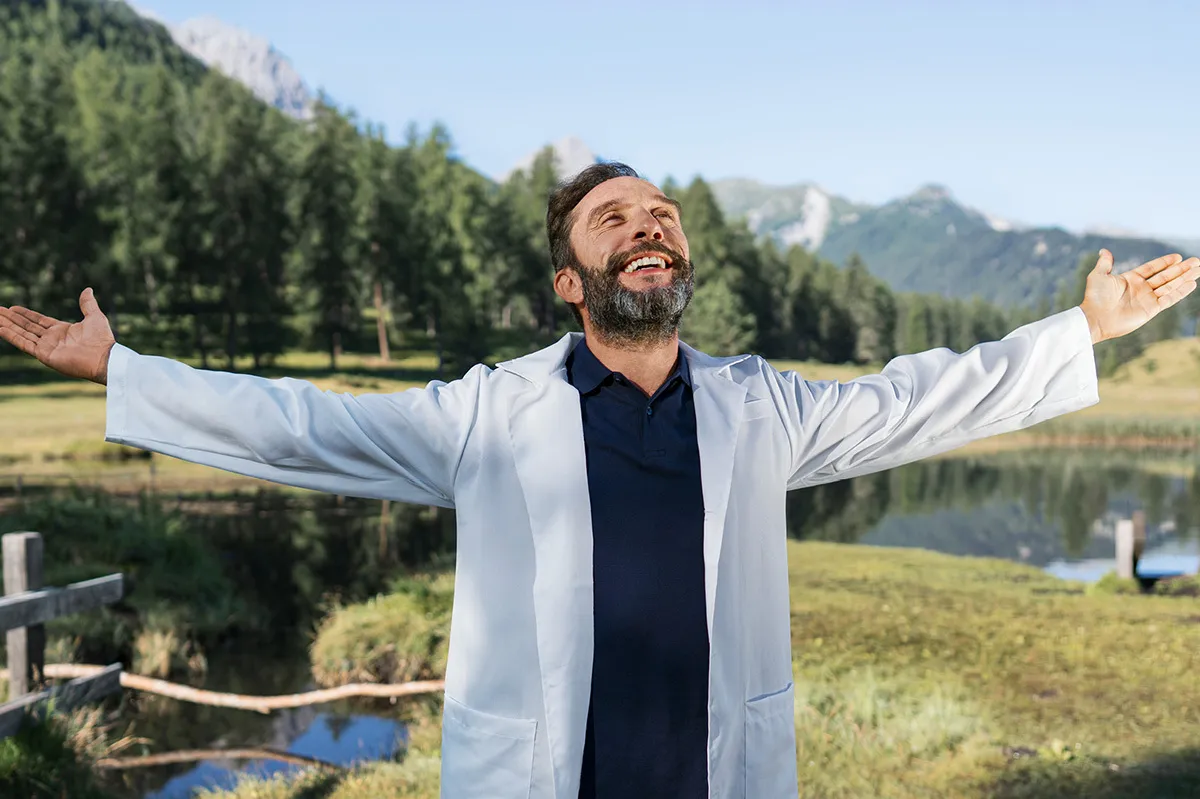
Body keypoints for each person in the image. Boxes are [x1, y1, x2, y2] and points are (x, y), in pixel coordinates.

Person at [1, 161, 1198, 799]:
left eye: (663, 215)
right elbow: (304, 425)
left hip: (713, 772)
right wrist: (126, 372)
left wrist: (1078, 332)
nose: (649, 226)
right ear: (572, 282)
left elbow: (917, 398)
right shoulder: (487, 416)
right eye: (615, 216)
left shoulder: (762, 407)